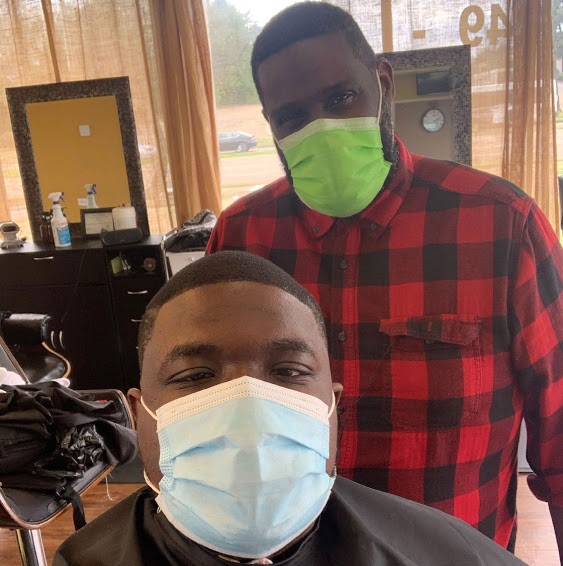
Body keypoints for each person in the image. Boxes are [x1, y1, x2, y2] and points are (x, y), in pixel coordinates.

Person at [206, 1, 563, 557]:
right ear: (271, 125)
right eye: (291, 117)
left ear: (383, 84)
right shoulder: (242, 238)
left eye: (340, 97)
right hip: (293, 553)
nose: (320, 128)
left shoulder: (500, 226)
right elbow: (217, 417)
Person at [54, 251, 526, 565]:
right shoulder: (82, 561)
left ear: (332, 406)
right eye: (196, 376)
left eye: (288, 371)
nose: (247, 406)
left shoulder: (444, 555)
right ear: (141, 414)